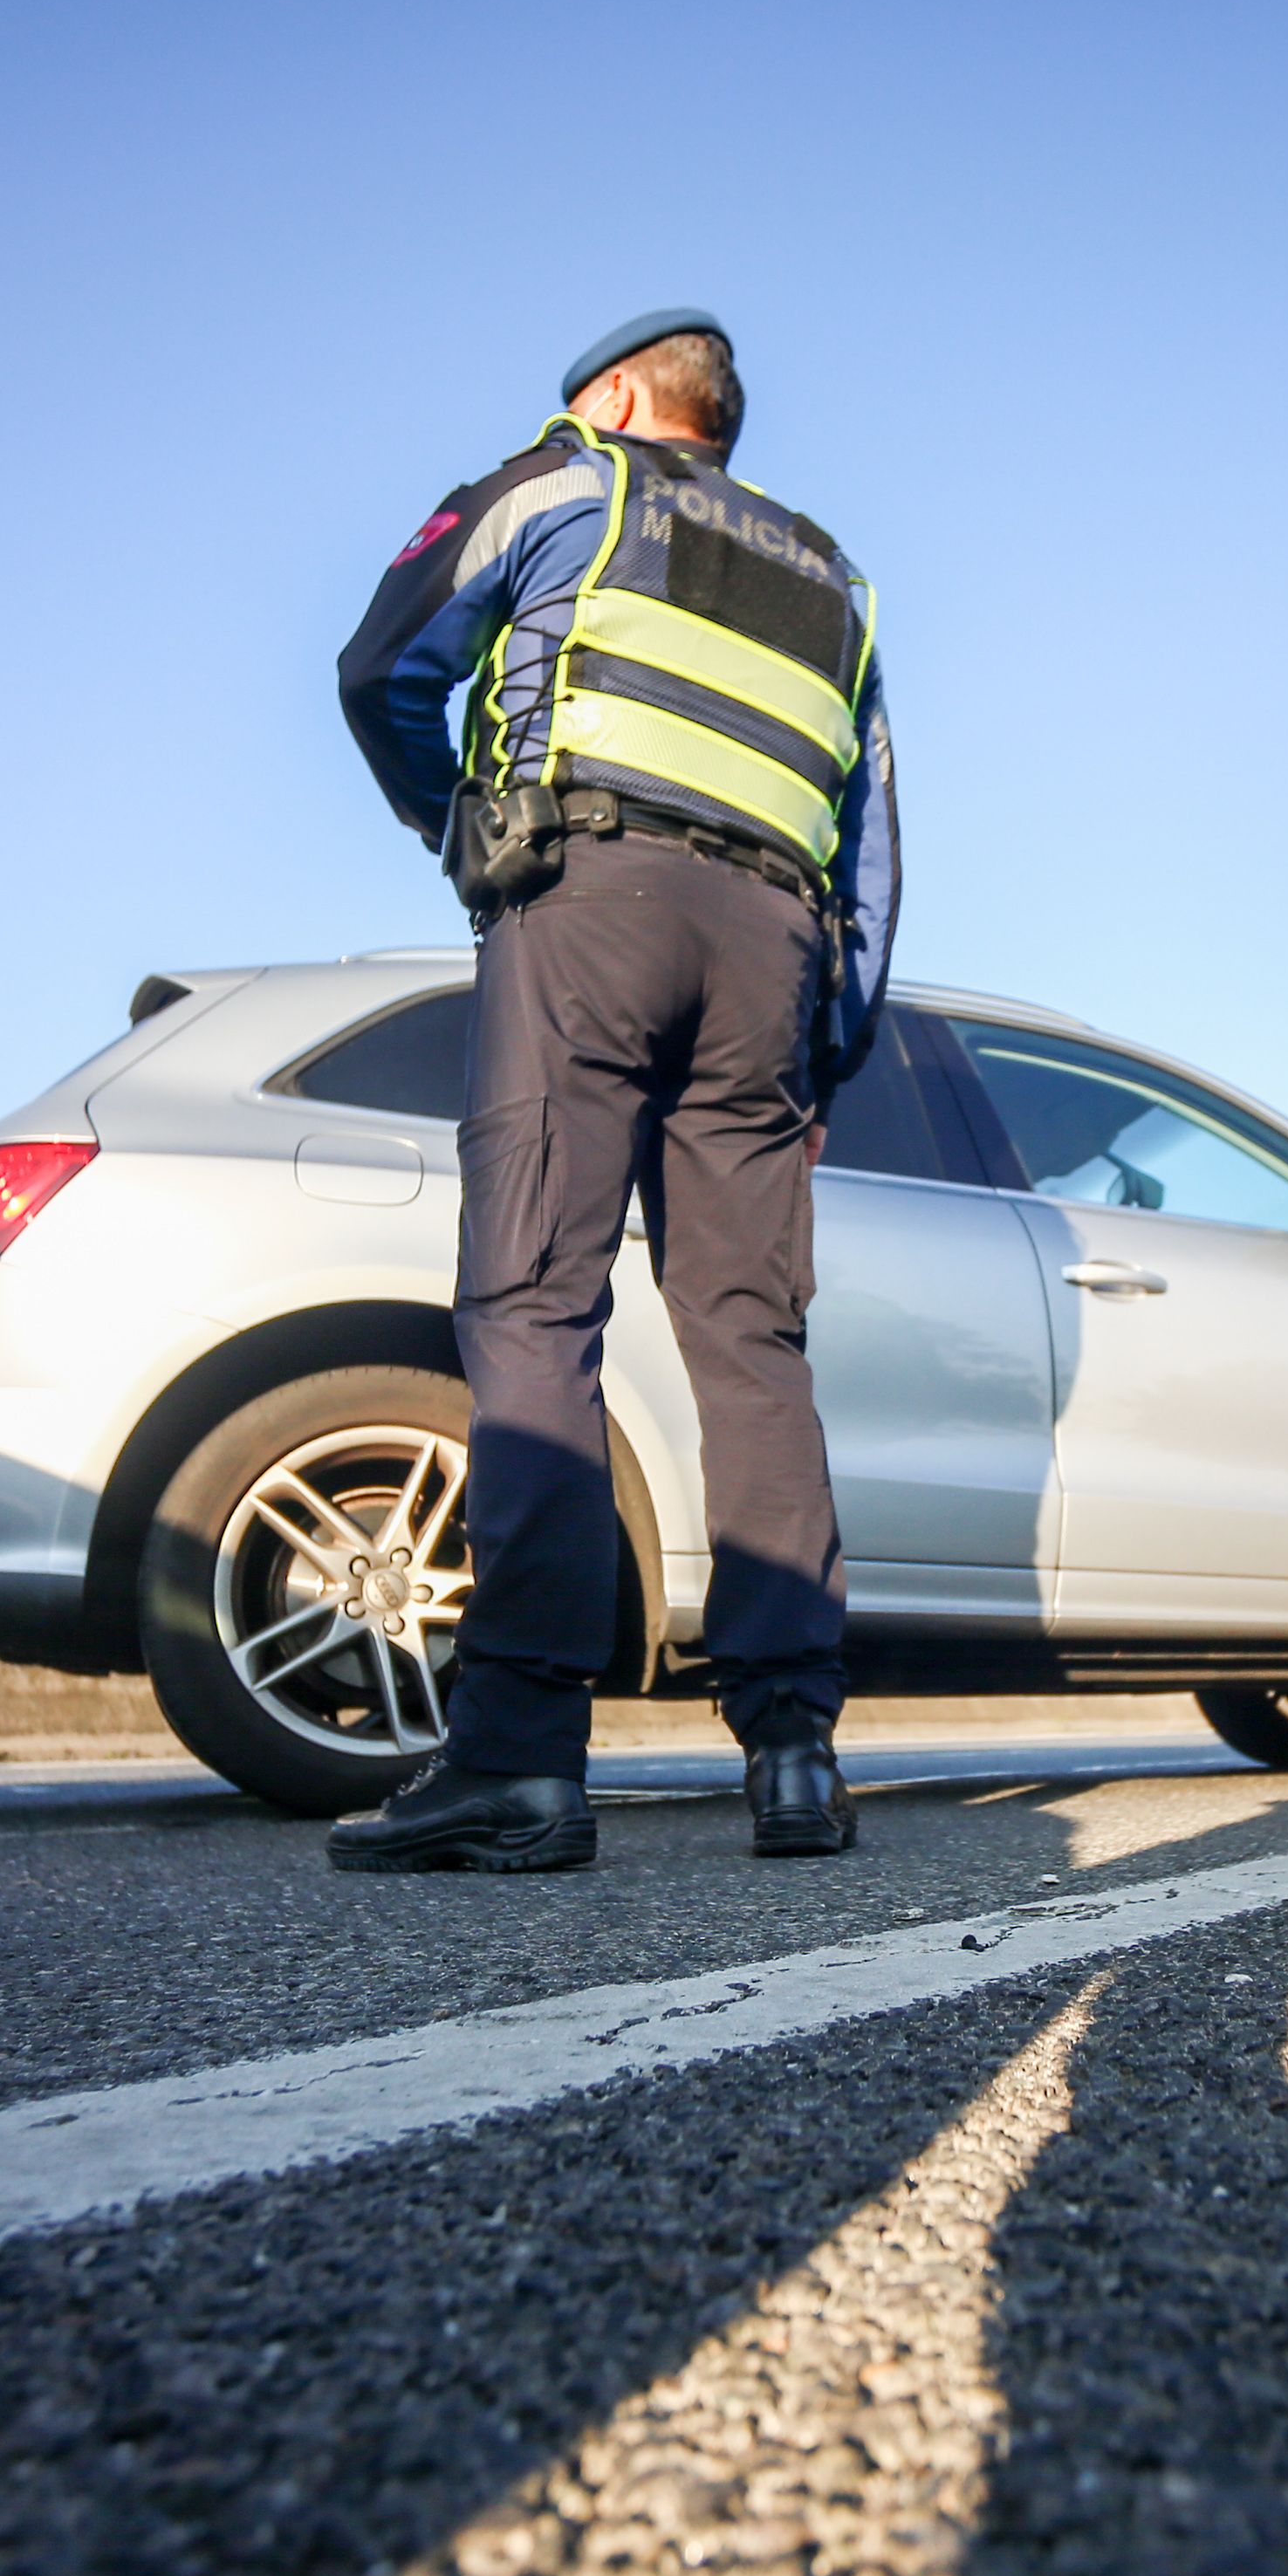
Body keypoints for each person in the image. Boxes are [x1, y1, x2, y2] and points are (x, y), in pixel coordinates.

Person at [325, 308, 897, 1871]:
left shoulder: (571, 476)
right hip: (770, 948)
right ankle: (793, 1749)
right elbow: (877, 840)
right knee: (751, 1334)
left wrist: (460, 823)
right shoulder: (831, 577)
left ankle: (519, 1754)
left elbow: (384, 661)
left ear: (629, 396)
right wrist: (823, 1044)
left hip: (591, 895)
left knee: (534, 1304)